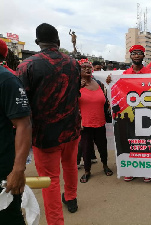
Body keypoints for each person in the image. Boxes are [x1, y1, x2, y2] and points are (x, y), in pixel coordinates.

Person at [17, 23, 81, 225]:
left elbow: (22, 104)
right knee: (70, 166)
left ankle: (56, 222)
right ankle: (71, 198)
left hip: (45, 135)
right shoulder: (74, 63)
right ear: (58, 41)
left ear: (37, 42)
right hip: (71, 129)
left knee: (50, 180)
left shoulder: (26, 65)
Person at [106, 45, 151, 182]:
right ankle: (131, 170)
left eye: (139, 53)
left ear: (143, 56)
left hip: (146, 113)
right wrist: (110, 82)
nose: (137, 56)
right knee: (130, 141)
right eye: (134, 53)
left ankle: (147, 170)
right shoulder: (124, 74)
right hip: (129, 114)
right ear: (130, 56)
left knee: (145, 142)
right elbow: (115, 89)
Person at [0, 37, 32, 225]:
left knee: (8, 218)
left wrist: (18, 169)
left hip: (3, 169)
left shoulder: (7, 80)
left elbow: (23, 124)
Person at [78, 58, 113, 183]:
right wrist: (76, 88)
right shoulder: (75, 85)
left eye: (89, 67)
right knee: (86, 149)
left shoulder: (99, 83)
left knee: (102, 147)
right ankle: (87, 171)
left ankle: (105, 165)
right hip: (85, 124)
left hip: (100, 122)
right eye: (83, 67)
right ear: (79, 70)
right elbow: (70, 103)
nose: (87, 69)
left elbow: (106, 98)